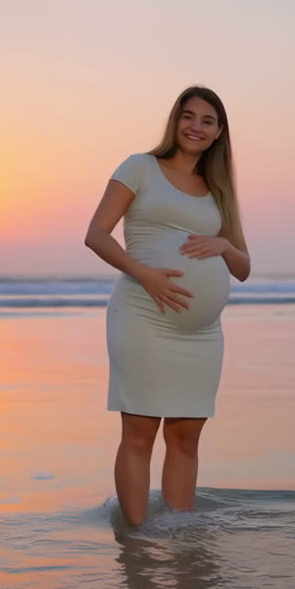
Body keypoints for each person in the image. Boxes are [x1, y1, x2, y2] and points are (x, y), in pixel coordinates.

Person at [84, 86, 251, 527]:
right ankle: (136, 540)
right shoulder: (140, 167)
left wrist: (223, 245)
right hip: (143, 317)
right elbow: (96, 234)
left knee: (186, 437)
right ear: (175, 121)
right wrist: (146, 274)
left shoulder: (219, 190)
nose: (196, 127)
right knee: (140, 433)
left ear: (219, 133)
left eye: (208, 121)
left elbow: (244, 268)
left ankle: (180, 535)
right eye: (188, 116)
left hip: (203, 334)